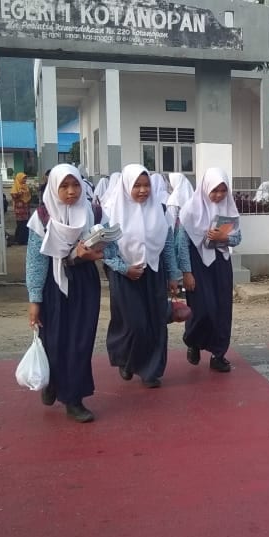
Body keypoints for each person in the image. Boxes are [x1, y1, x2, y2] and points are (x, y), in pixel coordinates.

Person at [25, 164, 103, 423]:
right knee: (55, 340)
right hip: (54, 286)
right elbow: (36, 261)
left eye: (76, 185)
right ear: (53, 187)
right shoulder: (42, 217)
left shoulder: (91, 213)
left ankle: (74, 399)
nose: (71, 192)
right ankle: (53, 382)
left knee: (81, 341)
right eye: (64, 186)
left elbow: (107, 248)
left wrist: (94, 254)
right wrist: (35, 299)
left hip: (84, 284)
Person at [100, 165, 181, 389]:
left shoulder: (159, 210)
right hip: (125, 276)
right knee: (134, 323)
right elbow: (105, 250)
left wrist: (173, 275)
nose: (143, 190)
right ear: (126, 186)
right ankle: (126, 359)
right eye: (137, 185)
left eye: (146, 185)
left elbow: (166, 245)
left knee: (156, 323)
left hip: (154, 273)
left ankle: (151, 370)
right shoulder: (110, 212)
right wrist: (124, 268)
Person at [178, 168, 242, 373]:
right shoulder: (190, 210)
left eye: (223, 190)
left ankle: (218, 354)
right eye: (215, 190)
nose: (219, 195)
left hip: (221, 263)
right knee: (201, 309)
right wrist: (186, 272)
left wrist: (224, 239)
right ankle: (193, 342)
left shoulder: (229, 208)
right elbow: (182, 243)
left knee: (222, 310)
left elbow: (238, 238)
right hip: (198, 265)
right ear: (205, 188)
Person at [10, 172, 32, 246]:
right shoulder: (15, 186)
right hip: (19, 210)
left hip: (26, 209)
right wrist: (20, 193)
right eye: (23, 178)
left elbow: (29, 196)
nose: (25, 180)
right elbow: (14, 195)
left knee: (26, 224)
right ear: (19, 178)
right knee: (20, 225)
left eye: (25, 178)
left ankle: (24, 239)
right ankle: (19, 240)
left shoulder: (25, 186)